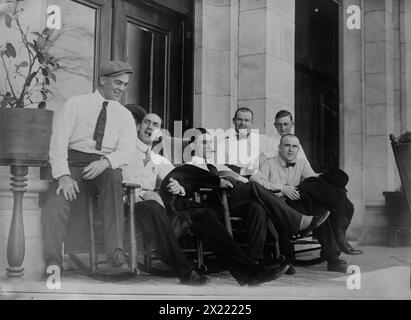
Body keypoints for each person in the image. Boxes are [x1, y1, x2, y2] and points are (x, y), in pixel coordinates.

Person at [122, 112, 289, 286]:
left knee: (203, 211)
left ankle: (249, 272)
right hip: (133, 203)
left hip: (159, 205)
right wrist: (142, 193)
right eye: (147, 122)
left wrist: (178, 187)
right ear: (138, 126)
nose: (150, 127)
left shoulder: (159, 159)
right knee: (155, 203)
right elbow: (116, 179)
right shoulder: (124, 150)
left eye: (155, 125)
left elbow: (174, 177)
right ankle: (186, 273)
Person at [173, 129, 330, 267]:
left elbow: (247, 176)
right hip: (219, 202)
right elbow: (184, 186)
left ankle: (253, 261)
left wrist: (238, 176)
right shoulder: (190, 167)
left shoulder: (220, 164)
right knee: (254, 187)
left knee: (258, 207)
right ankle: (297, 221)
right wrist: (218, 181)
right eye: (205, 143)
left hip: (238, 197)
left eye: (211, 143)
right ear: (193, 146)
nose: (210, 146)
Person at [41, 60, 137, 276]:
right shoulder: (76, 104)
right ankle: (52, 265)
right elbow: (58, 143)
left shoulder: (124, 115)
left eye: (125, 84)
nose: (122, 88)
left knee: (114, 178)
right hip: (72, 163)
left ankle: (116, 255)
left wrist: (106, 162)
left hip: (104, 165)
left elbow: (127, 150)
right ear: (102, 80)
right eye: (118, 82)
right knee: (55, 204)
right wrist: (64, 176)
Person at [267, 110, 363, 255]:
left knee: (340, 185)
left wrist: (319, 179)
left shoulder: (295, 143)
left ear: (292, 124)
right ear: (275, 126)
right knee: (332, 201)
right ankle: (338, 240)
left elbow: (307, 170)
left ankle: (338, 234)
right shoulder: (270, 143)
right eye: (279, 125)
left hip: (305, 184)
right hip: (292, 191)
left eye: (286, 124)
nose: (283, 128)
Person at [251, 134, 348, 273]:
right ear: (279, 148)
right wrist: (282, 188)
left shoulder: (301, 163)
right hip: (277, 204)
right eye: (287, 146)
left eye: (294, 146)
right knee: (283, 211)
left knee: (321, 210)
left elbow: (314, 181)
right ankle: (285, 259)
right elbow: (254, 180)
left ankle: (332, 258)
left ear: (298, 149)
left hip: (298, 201)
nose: (291, 150)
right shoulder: (269, 163)